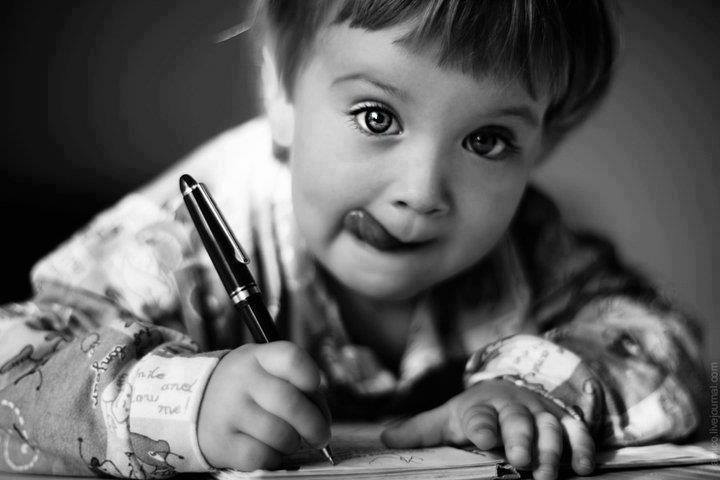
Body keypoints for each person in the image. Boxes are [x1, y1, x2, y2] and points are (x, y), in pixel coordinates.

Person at [0, 1, 704, 479]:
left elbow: (658, 340)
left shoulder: (531, 246)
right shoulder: (178, 239)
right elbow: (14, 369)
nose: (422, 191)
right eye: (376, 116)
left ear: (541, 144)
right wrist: (186, 404)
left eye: (488, 140)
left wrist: (531, 392)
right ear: (281, 88)